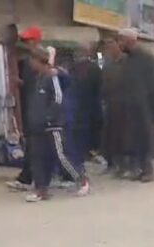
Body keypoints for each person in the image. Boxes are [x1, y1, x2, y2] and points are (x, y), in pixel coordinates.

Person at [24, 47, 89, 202]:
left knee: (61, 155)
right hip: (37, 126)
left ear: (39, 61)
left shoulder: (52, 76)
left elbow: (58, 98)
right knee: (38, 158)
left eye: (32, 61)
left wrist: (49, 117)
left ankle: (82, 180)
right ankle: (41, 190)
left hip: (53, 125)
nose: (30, 64)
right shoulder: (38, 79)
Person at [118, 27, 154, 182]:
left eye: (121, 40)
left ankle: (148, 171)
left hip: (145, 107)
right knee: (134, 139)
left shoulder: (147, 58)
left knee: (145, 139)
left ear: (129, 40)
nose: (119, 44)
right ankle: (138, 169)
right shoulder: (128, 59)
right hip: (131, 106)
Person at [6, 26, 44, 191]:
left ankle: (30, 179)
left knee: (37, 145)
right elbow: (31, 86)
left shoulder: (40, 61)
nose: (28, 43)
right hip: (32, 108)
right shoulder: (31, 62)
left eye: (29, 40)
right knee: (34, 145)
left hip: (39, 109)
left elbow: (38, 87)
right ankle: (28, 178)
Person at [68, 45, 103, 162]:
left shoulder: (73, 69)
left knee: (81, 131)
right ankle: (88, 151)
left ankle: (84, 152)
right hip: (89, 106)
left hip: (80, 106)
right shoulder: (94, 68)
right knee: (87, 131)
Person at [101, 35, 127, 175]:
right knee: (109, 135)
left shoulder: (126, 61)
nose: (110, 48)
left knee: (123, 135)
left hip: (124, 103)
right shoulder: (108, 63)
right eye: (107, 46)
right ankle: (112, 163)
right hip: (111, 103)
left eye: (112, 44)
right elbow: (104, 83)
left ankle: (124, 165)